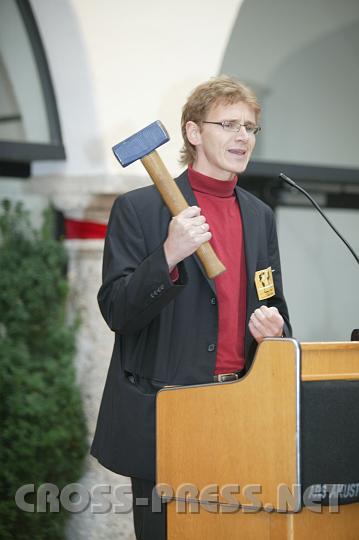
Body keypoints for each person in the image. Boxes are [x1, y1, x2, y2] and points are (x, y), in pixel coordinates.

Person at [91, 75, 291, 540]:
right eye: (228, 124)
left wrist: (273, 327)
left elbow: (271, 298)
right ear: (193, 132)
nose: (242, 137)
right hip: (167, 413)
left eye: (249, 127)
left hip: (242, 408)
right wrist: (168, 255)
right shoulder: (139, 210)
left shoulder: (260, 216)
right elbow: (117, 311)